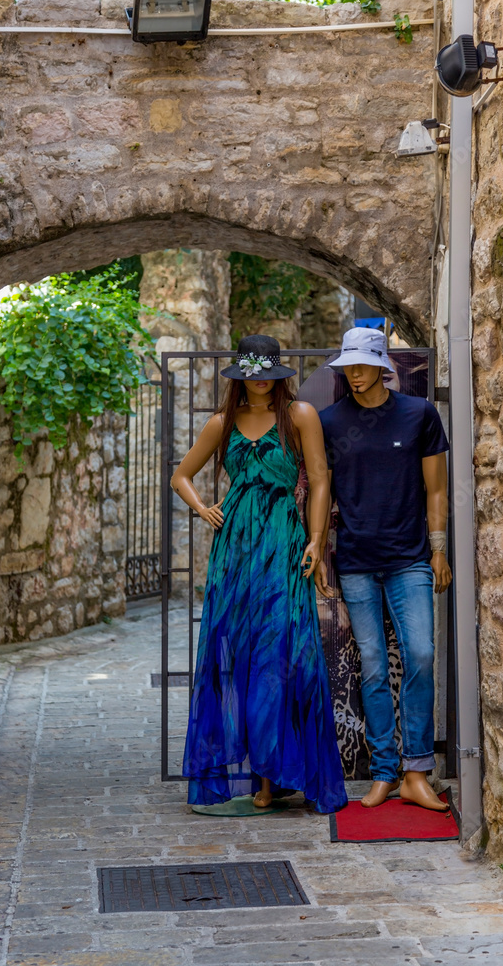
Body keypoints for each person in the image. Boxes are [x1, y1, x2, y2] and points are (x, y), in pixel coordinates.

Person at [171, 334, 347, 814]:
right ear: (238, 380)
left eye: (267, 377)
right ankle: (259, 780)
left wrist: (315, 541)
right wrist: (203, 508)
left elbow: (320, 479)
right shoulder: (220, 424)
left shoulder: (299, 417)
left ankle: (274, 780)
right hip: (235, 553)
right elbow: (180, 475)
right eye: (251, 378)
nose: (260, 385)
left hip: (284, 544)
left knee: (282, 658)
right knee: (238, 658)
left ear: (278, 377)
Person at [317, 327, 452, 811]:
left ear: (382, 368)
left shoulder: (419, 414)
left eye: (361, 365)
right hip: (354, 562)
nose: (353, 374)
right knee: (372, 669)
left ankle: (418, 771)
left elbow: (437, 490)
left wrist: (438, 549)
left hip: (410, 557)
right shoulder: (330, 422)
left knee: (419, 655)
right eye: (346, 367)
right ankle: (384, 773)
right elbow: (322, 491)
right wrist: (317, 547)